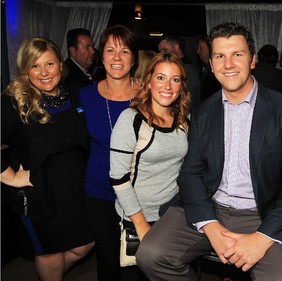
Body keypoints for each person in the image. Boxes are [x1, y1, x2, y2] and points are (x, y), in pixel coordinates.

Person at [136, 22, 282, 281]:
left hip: (263, 214)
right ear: (212, 61)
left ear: (253, 60)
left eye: (237, 55)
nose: (228, 64)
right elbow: (190, 174)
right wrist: (209, 225)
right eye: (220, 56)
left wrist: (262, 238)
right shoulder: (204, 111)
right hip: (211, 206)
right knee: (151, 254)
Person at [1, 37, 94, 281]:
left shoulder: (76, 94)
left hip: (77, 192)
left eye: (50, 64)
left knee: (86, 243)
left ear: (61, 66)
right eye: (35, 66)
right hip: (38, 195)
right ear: (25, 70)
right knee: (50, 253)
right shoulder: (15, 102)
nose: (44, 72)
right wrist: (9, 176)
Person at [109, 51, 190, 274]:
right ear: (149, 81)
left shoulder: (183, 119)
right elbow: (118, 177)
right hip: (137, 216)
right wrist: (140, 222)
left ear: (181, 86)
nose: (168, 86)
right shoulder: (130, 119)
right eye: (161, 77)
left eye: (175, 79)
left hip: (171, 214)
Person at [78, 24, 140, 281]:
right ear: (100, 56)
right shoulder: (86, 95)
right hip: (99, 192)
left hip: (139, 194)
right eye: (110, 50)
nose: (116, 57)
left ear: (133, 59)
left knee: (136, 264)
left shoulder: (148, 94)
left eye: (124, 51)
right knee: (108, 261)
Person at [158, 35, 200, 109]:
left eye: (165, 50)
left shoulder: (187, 69)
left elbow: (190, 100)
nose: (162, 54)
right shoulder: (181, 67)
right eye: (160, 51)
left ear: (176, 48)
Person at [64, 28, 96, 102]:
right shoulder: (68, 76)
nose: (93, 51)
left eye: (92, 47)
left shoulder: (84, 71)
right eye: (87, 47)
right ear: (73, 51)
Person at [196, 35, 221, 101]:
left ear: (210, 49)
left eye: (201, 48)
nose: (198, 51)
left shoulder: (218, 71)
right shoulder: (204, 69)